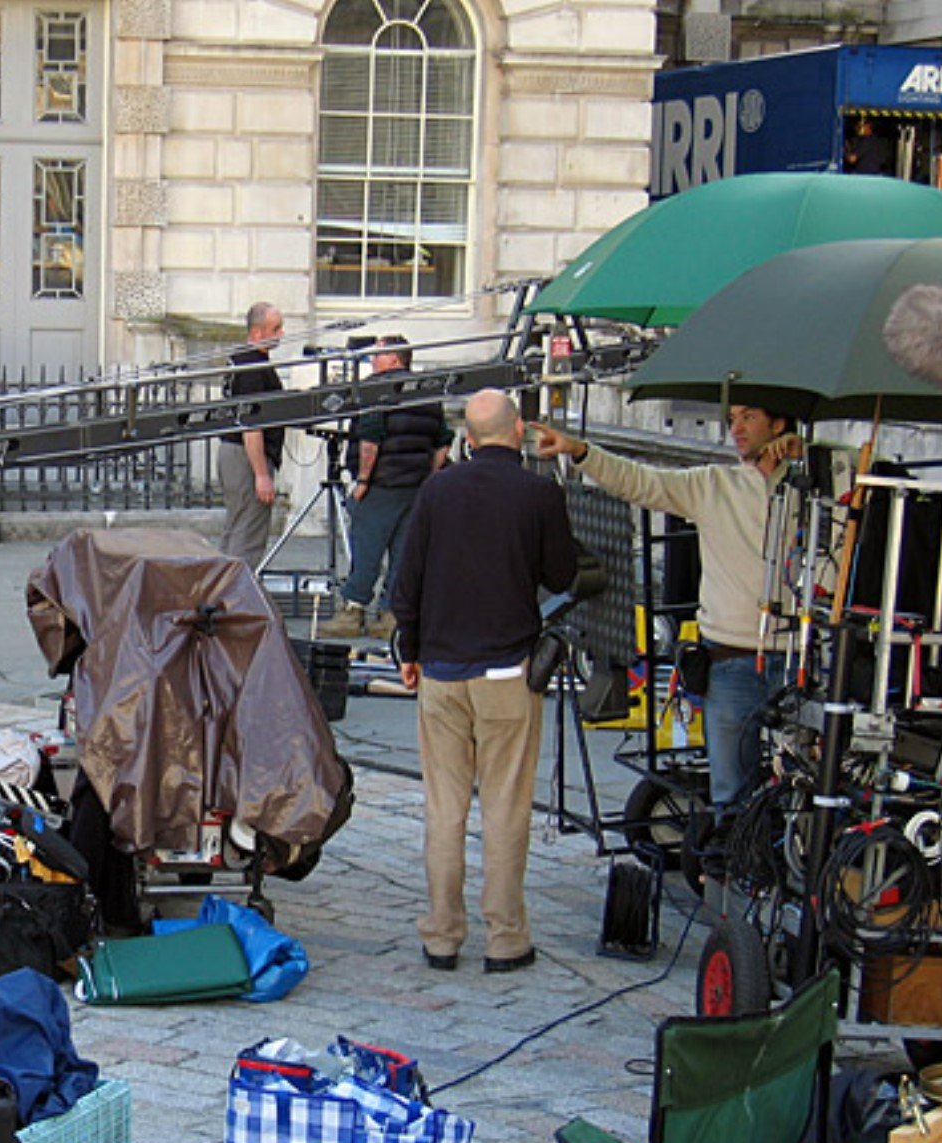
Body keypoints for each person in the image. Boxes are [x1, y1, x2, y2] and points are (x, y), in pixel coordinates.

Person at [532, 404, 802, 812]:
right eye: (731, 420)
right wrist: (581, 451)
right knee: (730, 792)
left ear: (778, 422)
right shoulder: (715, 484)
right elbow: (641, 482)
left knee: (803, 787)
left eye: (748, 418)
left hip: (799, 660)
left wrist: (812, 454)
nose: (737, 429)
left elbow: (870, 478)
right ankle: (731, 872)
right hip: (731, 659)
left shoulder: (811, 486)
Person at [392, 389, 579, 974]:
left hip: (442, 672)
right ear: (519, 430)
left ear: (466, 439)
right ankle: (506, 938)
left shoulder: (436, 489)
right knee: (505, 807)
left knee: (444, 810)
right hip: (507, 670)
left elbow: (406, 584)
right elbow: (564, 573)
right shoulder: (538, 492)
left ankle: (442, 936)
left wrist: (411, 650)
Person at [323, 334, 452, 639]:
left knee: (367, 548)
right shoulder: (427, 391)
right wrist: (429, 477)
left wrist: (363, 480)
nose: (371, 361)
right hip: (415, 486)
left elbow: (371, 438)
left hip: (381, 484)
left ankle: (352, 612)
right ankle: (391, 616)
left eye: (377, 356)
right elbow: (443, 441)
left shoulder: (376, 389)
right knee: (403, 553)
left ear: (395, 359)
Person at [218, 301, 286, 570]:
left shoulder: (242, 360)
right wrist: (261, 474)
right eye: (276, 328)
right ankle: (234, 599)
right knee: (248, 533)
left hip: (235, 453)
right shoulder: (251, 367)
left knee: (236, 527)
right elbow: (251, 425)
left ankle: (219, 594)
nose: (282, 334)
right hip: (246, 456)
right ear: (257, 333)